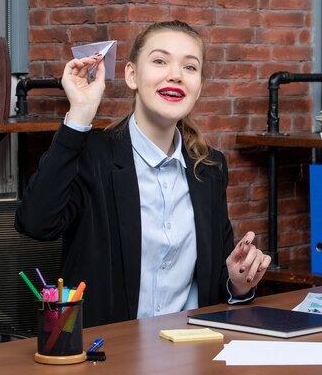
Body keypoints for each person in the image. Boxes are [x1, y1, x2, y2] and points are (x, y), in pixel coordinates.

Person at [15, 20, 272, 328]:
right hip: (112, 356)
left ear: (199, 87)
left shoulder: (209, 168)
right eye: (160, 61)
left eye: (190, 68)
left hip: (191, 350)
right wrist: (80, 113)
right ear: (132, 75)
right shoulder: (92, 155)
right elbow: (36, 223)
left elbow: (214, 285)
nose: (175, 75)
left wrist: (238, 283)